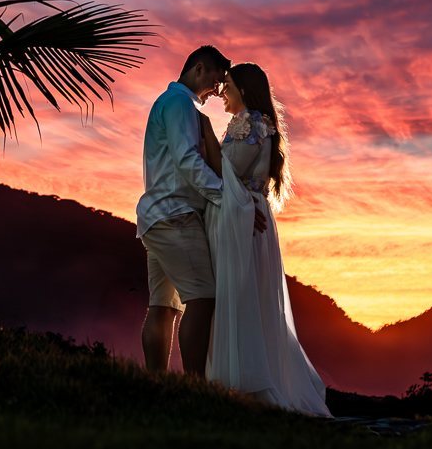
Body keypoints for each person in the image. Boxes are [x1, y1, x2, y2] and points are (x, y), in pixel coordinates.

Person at [196, 62, 332, 417]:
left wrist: (206, 139)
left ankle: (244, 380)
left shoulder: (249, 122)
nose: (221, 92)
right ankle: (246, 375)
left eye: (227, 85)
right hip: (249, 213)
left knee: (240, 294)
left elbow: (227, 171)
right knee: (251, 295)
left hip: (243, 218)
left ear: (244, 88)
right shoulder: (258, 123)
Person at [136, 45, 267, 374]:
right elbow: (188, 160)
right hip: (176, 216)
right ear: (198, 69)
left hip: (155, 216)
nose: (217, 89)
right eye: (215, 79)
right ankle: (195, 385)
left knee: (163, 306)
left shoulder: (166, 103)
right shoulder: (181, 104)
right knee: (204, 299)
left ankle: (155, 383)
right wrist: (229, 198)